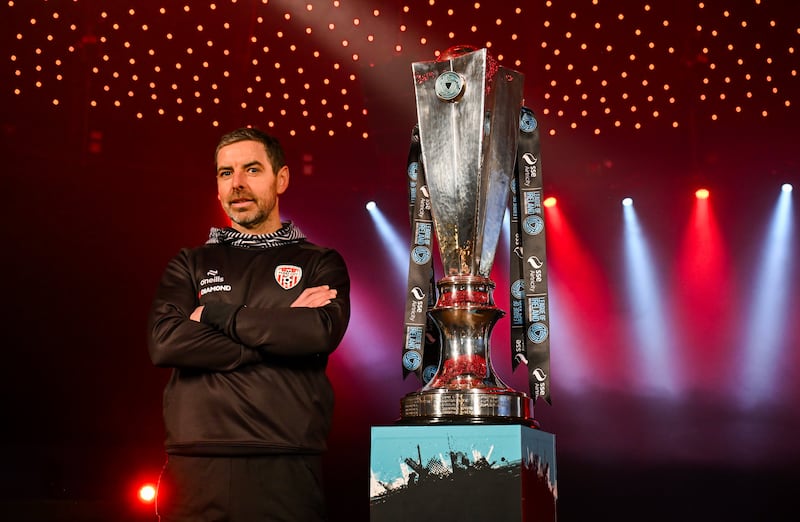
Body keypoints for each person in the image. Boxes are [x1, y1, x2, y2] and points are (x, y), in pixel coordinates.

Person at [147, 127, 351, 521]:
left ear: (282, 179)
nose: (237, 184)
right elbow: (165, 343)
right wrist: (278, 329)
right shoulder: (189, 262)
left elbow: (316, 333)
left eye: (252, 169)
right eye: (226, 173)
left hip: (285, 459)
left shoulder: (320, 261)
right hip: (195, 460)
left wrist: (213, 315)